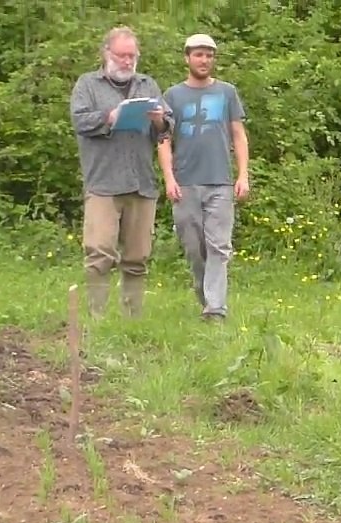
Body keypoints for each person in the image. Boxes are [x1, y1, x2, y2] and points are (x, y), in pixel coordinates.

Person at [69, 26, 173, 317]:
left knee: (137, 257)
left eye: (132, 56)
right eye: (122, 55)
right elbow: (80, 121)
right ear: (106, 53)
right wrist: (110, 117)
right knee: (99, 253)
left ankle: (132, 319)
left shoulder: (147, 84)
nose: (127, 61)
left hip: (141, 183)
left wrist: (158, 121)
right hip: (103, 183)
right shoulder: (87, 85)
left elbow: (167, 128)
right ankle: (97, 318)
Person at [157, 33, 250, 322]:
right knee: (194, 248)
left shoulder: (227, 92)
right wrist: (169, 178)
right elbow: (163, 139)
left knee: (219, 247)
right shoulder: (173, 95)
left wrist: (243, 175)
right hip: (185, 183)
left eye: (209, 55)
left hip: (220, 182)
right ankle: (206, 297)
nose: (204, 60)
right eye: (199, 54)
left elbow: (238, 134)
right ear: (187, 58)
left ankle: (215, 310)